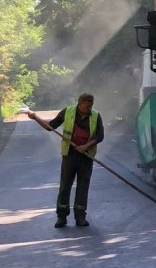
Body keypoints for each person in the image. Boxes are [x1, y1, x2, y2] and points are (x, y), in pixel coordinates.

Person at [28, 93, 104, 228]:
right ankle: (61, 216)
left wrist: (85, 146)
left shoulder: (96, 115)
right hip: (69, 155)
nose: (88, 109)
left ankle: (80, 216)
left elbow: (100, 136)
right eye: (86, 106)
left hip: (87, 156)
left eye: (90, 106)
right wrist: (35, 117)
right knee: (65, 186)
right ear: (79, 103)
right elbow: (50, 126)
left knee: (83, 186)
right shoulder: (67, 112)